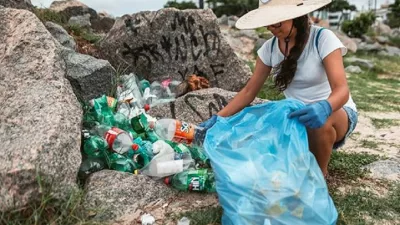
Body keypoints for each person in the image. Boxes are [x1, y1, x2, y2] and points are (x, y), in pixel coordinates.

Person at [200, 0, 358, 177]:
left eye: (276, 21)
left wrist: (324, 107)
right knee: (252, 129)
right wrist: (218, 118)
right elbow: (248, 92)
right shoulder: (269, 48)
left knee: (320, 123)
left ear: (295, 17)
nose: (271, 27)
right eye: (268, 22)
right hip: (297, 114)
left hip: (335, 111)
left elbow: (341, 90)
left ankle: (320, 175)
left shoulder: (322, 38)